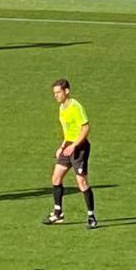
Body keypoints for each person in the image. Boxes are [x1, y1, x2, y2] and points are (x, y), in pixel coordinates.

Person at [44, 78, 97, 229]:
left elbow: (85, 128)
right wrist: (62, 146)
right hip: (68, 145)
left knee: (82, 182)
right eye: (54, 93)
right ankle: (58, 213)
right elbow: (67, 131)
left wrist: (74, 145)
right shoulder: (62, 108)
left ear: (66, 91)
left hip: (79, 147)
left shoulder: (76, 107)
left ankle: (91, 216)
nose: (56, 96)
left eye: (58, 92)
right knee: (56, 177)